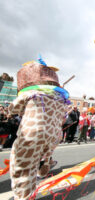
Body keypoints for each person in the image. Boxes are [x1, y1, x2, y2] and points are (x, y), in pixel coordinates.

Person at [8, 57, 70, 199]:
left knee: (22, 167)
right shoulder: (61, 99)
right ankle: (44, 165)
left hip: (32, 134)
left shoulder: (30, 93)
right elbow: (64, 118)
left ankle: (24, 196)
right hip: (54, 135)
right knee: (41, 155)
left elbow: (13, 109)